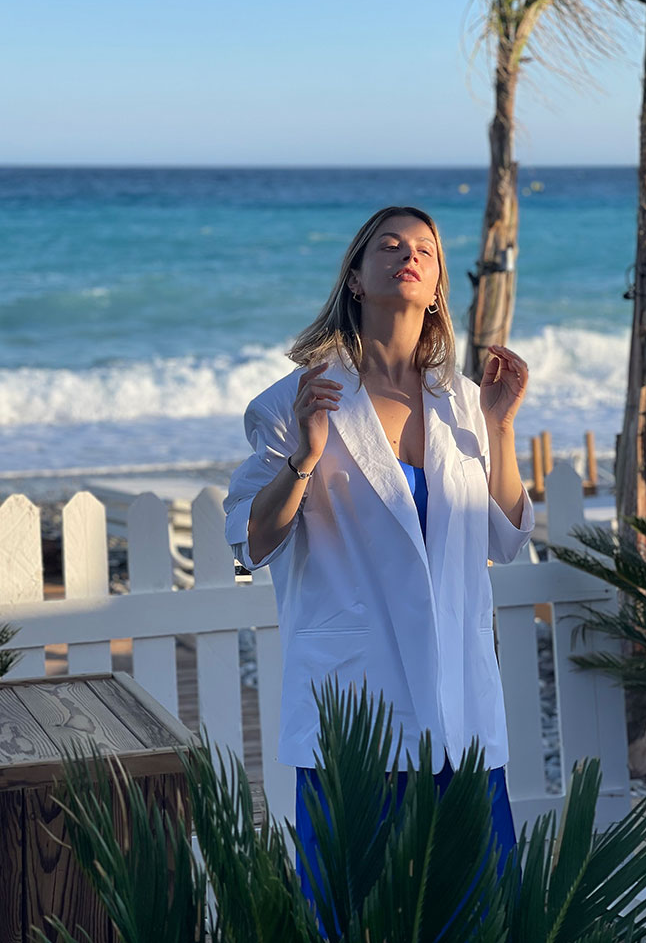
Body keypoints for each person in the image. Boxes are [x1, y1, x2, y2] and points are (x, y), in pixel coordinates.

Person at [224, 205, 534, 930]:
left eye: (425, 248)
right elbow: (250, 542)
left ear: (437, 286)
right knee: (353, 919)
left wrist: (501, 426)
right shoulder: (295, 400)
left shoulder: (464, 401)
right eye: (389, 245)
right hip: (355, 715)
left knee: (480, 919)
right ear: (357, 280)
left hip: (459, 711)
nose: (409, 255)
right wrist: (305, 455)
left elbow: (506, 537)